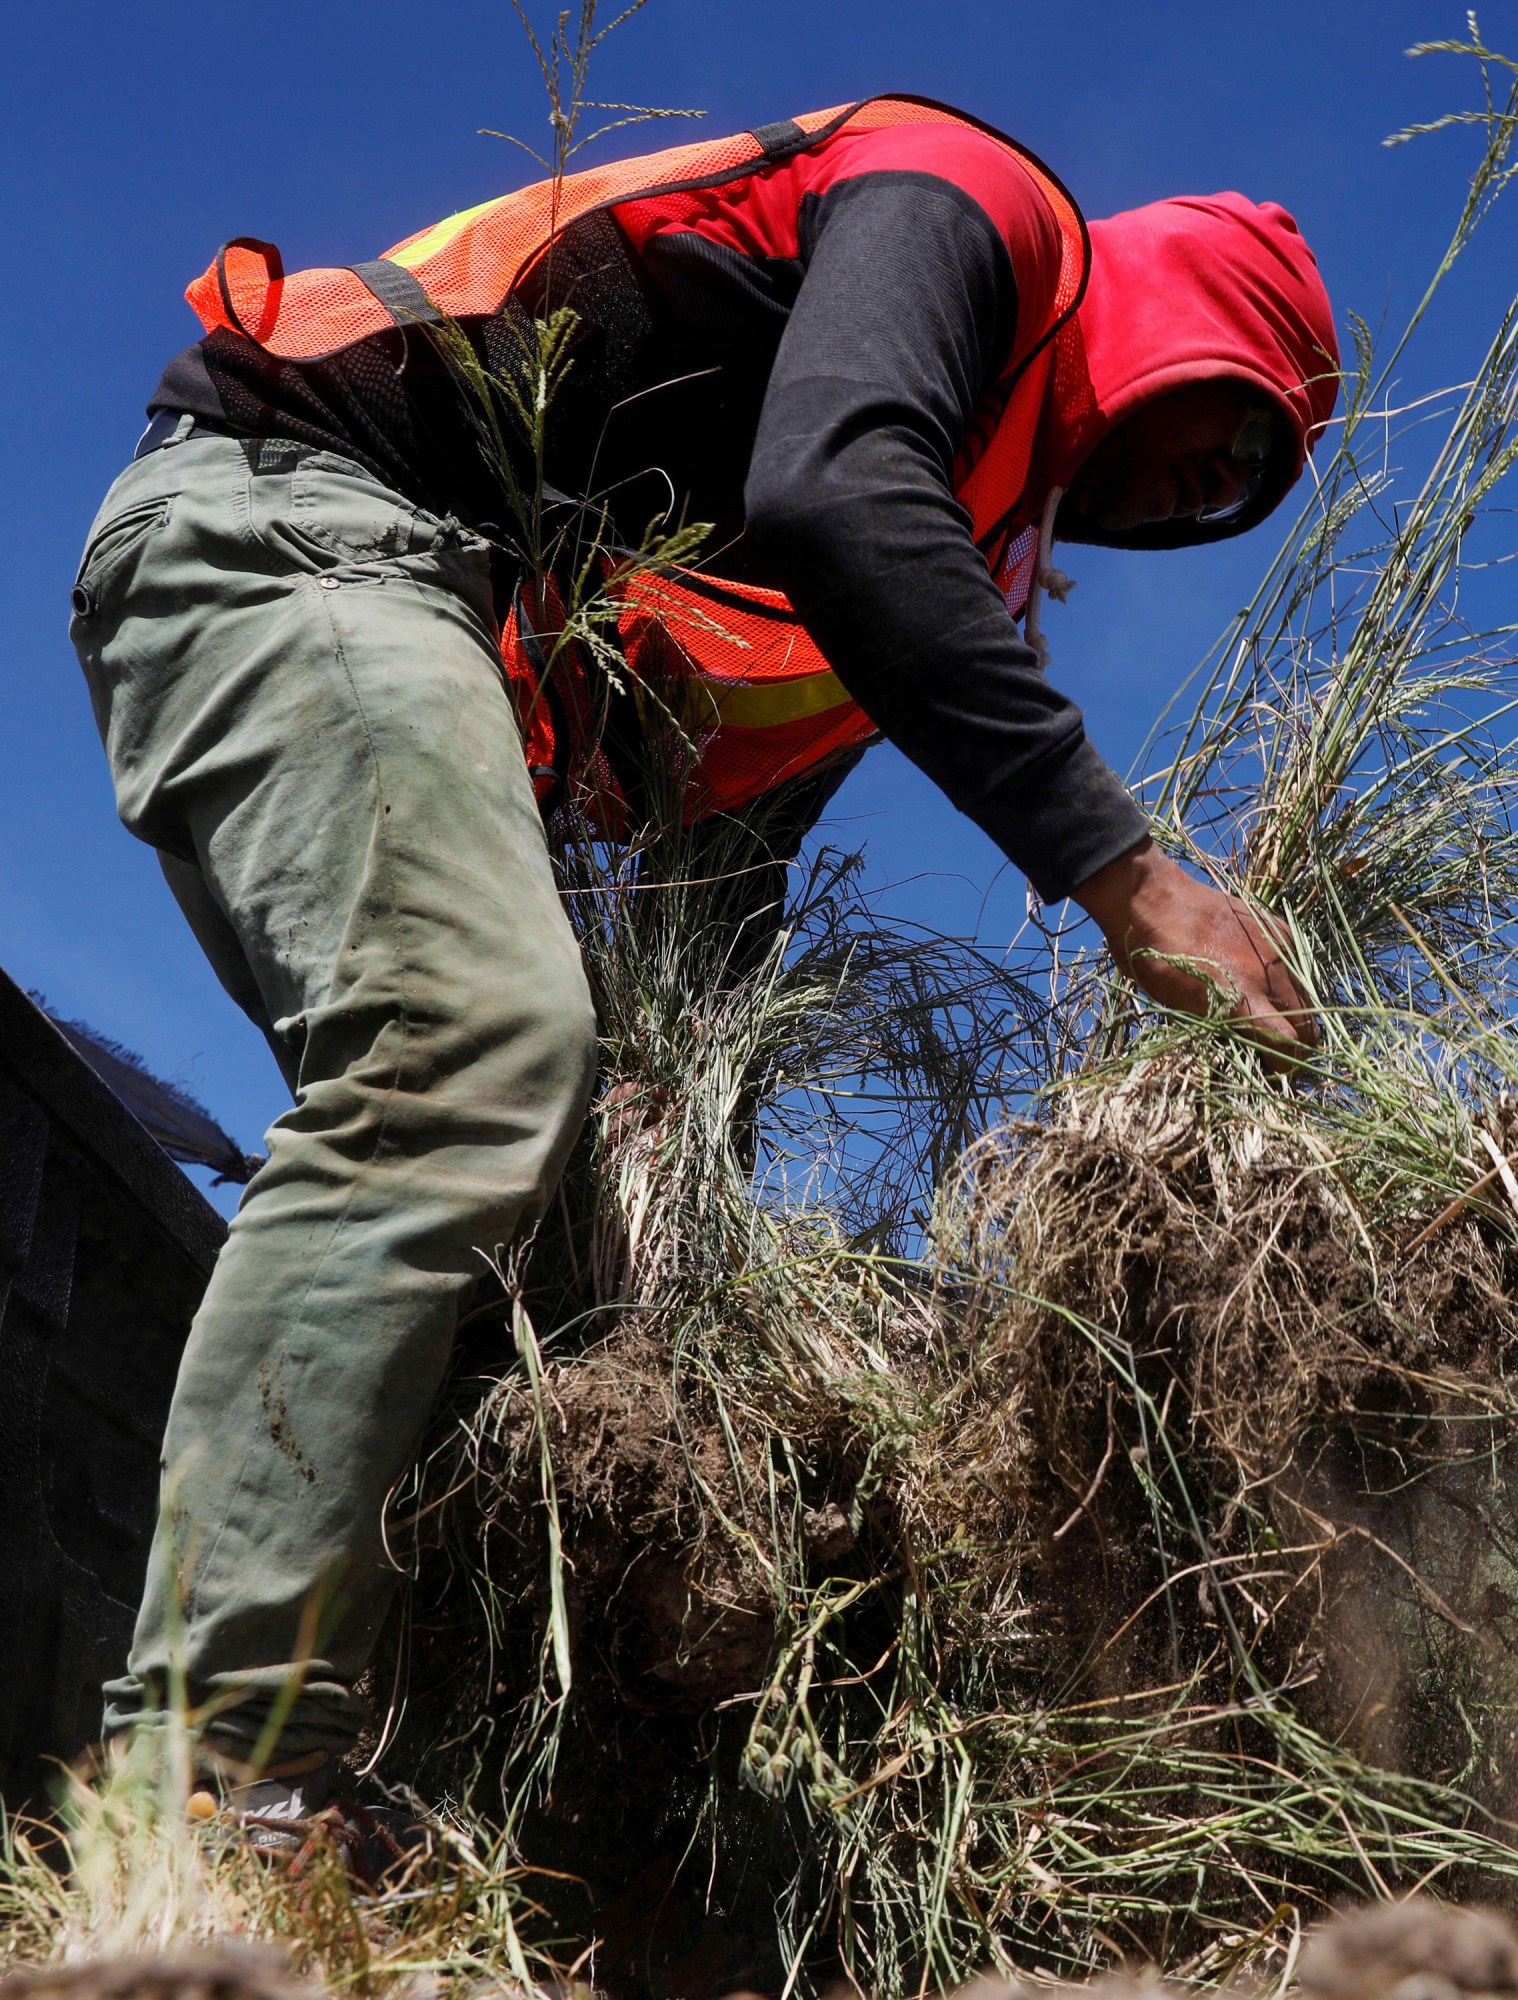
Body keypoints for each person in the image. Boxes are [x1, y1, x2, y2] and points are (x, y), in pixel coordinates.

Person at [68, 94, 1337, 1848]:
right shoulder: (972, 205)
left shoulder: (954, 546)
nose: (1209, 488)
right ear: (1177, 314)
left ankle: (420, 1795)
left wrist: (685, 1157)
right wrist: (1126, 878)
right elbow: (831, 489)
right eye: (1230, 422)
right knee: (462, 1055)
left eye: (1239, 498)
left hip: (391, 608)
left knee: (545, 1191)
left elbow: (724, 859)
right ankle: (205, 1777)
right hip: (303, 523)